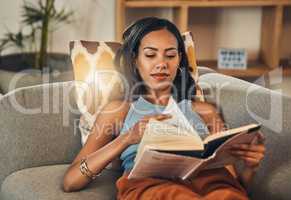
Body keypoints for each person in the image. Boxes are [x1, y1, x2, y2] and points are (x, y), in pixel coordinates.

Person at [63, 17, 265, 199]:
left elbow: (234, 184)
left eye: (170, 55)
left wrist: (250, 167)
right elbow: (71, 181)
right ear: (135, 60)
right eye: (150, 55)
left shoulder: (204, 110)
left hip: (211, 182)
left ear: (179, 60)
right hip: (150, 185)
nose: (162, 64)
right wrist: (127, 139)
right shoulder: (120, 109)